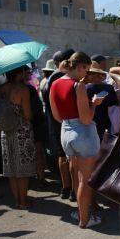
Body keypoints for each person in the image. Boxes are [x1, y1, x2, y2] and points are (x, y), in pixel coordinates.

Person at [50, 52, 104, 228]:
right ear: (80, 66)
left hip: (65, 131)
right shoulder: (78, 86)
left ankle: (81, 212)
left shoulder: (55, 83)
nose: (86, 74)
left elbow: (57, 116)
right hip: (83, 134)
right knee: (85, 180)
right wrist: (94, 104)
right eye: (86, 70)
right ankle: (85, 219)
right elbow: (87, 119)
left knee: (76, 174)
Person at [0, 65, 36, 209]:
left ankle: (17, 200)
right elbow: (27, 114)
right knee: (23, 169)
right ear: (19, 73)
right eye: (24, 71)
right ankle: (24, 201)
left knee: (11, 168)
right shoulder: (23, 89)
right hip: (21, 131)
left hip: (6, 132)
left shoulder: (0, 89)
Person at [44, 49, 75, 201]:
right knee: (70, 157)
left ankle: (66, 187)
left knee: (62, 156)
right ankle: (72, 189)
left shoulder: (50, 78)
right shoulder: (62, 77)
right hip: (65, 121)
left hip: (55, 121)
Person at [85, 62, 119, 140]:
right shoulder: (109, 88)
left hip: (90, 122)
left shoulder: (86, 88)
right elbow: (114, 105)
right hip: (106, 124)